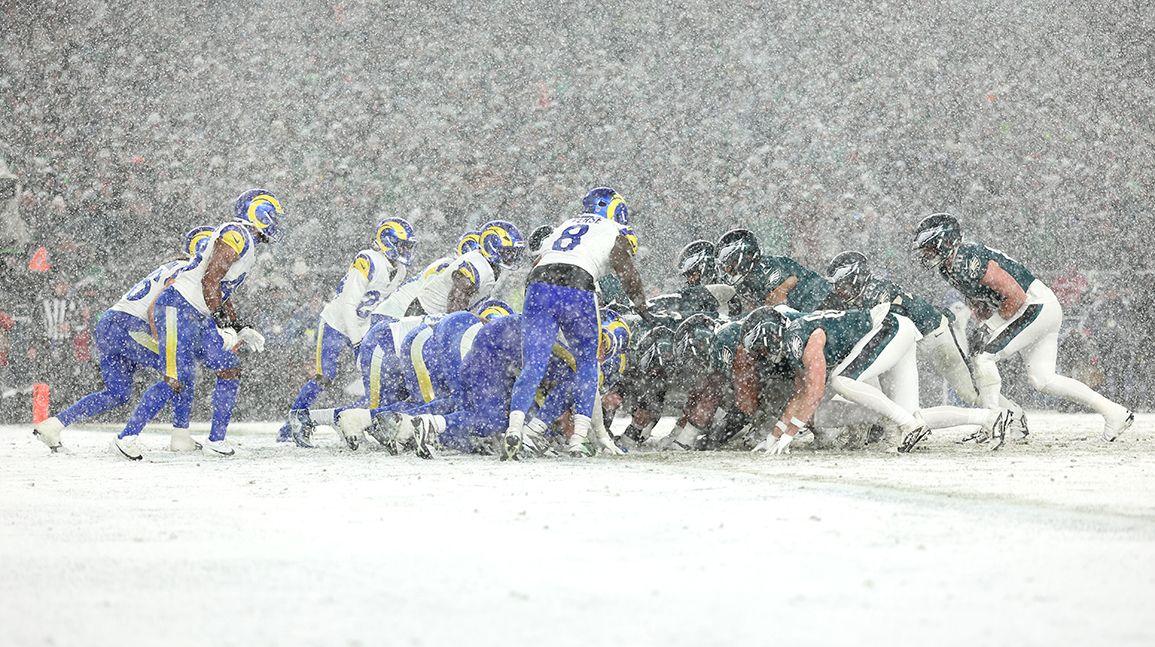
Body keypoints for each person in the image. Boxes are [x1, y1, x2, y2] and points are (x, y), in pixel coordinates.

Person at [912, 213, 1133, 442]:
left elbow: (1015, 295)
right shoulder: (949, 268)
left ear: (945, 240)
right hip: (1037, 307)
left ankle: (993, 422)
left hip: (1033, 305)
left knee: (983, 357)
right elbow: (981, 299)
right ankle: (1113, 412)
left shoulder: (967, 258)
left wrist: (989, 327)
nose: (926, 253)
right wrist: (982, 319)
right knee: (1043, 379)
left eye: (928, 247)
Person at [112, 189, 283, 460]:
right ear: (258, 212)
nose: (275, 220)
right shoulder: (236, 234)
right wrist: (221, 322)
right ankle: (127, 436)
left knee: (229, 367)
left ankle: (217, 439)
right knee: (175, 378)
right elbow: (210, 280)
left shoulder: (246, 241)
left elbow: (222, 290)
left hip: (197, 312)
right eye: (272, 214)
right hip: (178, 307)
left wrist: (238, 326)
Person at [33, 227, 214, 452]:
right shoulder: (188, 271)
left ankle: (54, 425)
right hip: (128, 326)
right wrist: (164, 342)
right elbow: (157, 305)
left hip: (112, 324)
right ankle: (145, 437)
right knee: (178, 370)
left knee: (117, 393)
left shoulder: (173, 266)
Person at [504, 187, 649, 458]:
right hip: (577, 284)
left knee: (533, 364)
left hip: (539, 284)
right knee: (586, 364)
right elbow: (626, 269)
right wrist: (641, 305)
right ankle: (578, 439)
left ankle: (514, 430)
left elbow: (537, 263)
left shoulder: (566, 224)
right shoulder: (611, 229)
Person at [826, 250, 1029, 440]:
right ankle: (885, 427)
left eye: (842, 284)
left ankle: (1011, 414)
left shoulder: (876, 294)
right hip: (910, 340)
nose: (839, 291)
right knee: (896, 401)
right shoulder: (865, 293)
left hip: (934, 334)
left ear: (856, 279)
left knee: (969, 391)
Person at [276, 217, 415, 442]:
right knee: (325, 376)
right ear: (388, 241)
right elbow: (350, 304)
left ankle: (359, 421)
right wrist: (358, 341)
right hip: (336, 322)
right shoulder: (367, 259)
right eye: (402, 244)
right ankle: (293, 424)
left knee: (374, 379)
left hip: (362, 325)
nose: (405, 250)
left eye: (407, 245)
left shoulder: (399, 270)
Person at [715, 228, 834, 314]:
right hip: (805, 309)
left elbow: (776, 299)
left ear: (747, 255)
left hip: (821, 301)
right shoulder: (745, 281)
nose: (727, 269)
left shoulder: (768, 266)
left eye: (731, 263)